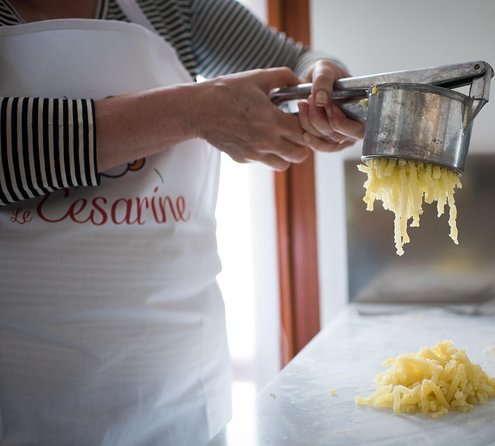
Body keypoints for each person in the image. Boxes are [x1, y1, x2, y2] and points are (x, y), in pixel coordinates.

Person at [0, 0, 363, 444]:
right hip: (20, 413)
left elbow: (298, 65)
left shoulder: (173, 6)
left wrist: (324, 79)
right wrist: (195, 110)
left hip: (185, 398)